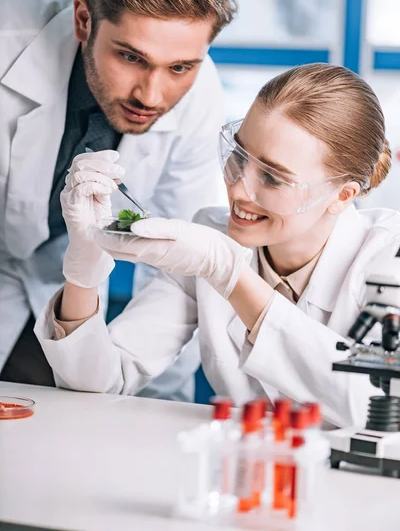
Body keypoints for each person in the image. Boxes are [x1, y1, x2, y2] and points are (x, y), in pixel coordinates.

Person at [34, 63, 397, 428]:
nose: (239, 189)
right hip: (242, 471)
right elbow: (97, 383)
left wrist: (232, 276)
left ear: (342, 196)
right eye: (239, 156)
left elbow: (378, 406)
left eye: (272, 177)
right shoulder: (211, 236)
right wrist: (84, 261)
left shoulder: (387, 259)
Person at [0, 0, 237, 400]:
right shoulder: (7, 39)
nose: (151, 96)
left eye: (180, 67)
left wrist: (156, 409)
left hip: (60, 283)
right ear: (84, 19)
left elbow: (174, 269)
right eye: (131, 57)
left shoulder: (200, 96)